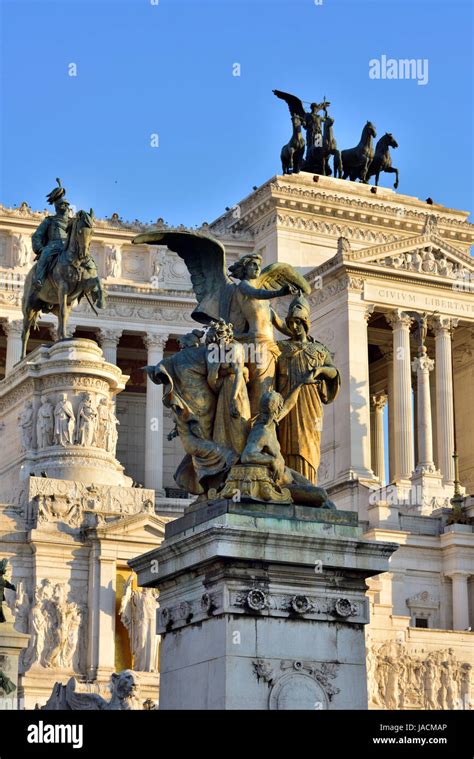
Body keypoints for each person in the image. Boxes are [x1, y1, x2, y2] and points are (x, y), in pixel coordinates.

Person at [277, 294, 340, 484]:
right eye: (291, 322)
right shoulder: (280, 348)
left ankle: (309, 487)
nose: (294, 327)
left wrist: (320, 370)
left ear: (305, 323)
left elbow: (334, 373)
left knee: (309, 444)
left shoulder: (319, 350)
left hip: (310, 404)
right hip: (287, 403)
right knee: (286, 445)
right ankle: (288, 485)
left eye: (298, 322)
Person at [31, 179, 72, 290]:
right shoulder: (49, 220)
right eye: (63, 205)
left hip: (68, 247)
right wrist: (40, 248)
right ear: (57, 207)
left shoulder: (72, 222)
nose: (65, 207)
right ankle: (39, 279)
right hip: (53, 245)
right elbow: (37, 236)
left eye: (66, 205)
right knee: (45, 255)